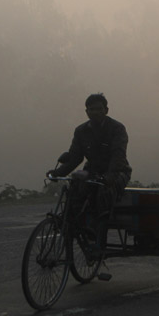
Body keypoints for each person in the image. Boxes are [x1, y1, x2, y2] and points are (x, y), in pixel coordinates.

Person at [47, 93, 132, 223]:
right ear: (86, 112)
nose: (95, 112)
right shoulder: (81, 131)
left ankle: (98, 230)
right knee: (74, 190)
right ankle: (70, 226)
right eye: (92, 109)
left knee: (103, 192)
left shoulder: (117, 128)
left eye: (99, 109)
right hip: (92, 171)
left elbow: (118, 156)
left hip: (118, 172)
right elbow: (75, 157)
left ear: (106, 110)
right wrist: (57, 173)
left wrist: (109, 177)